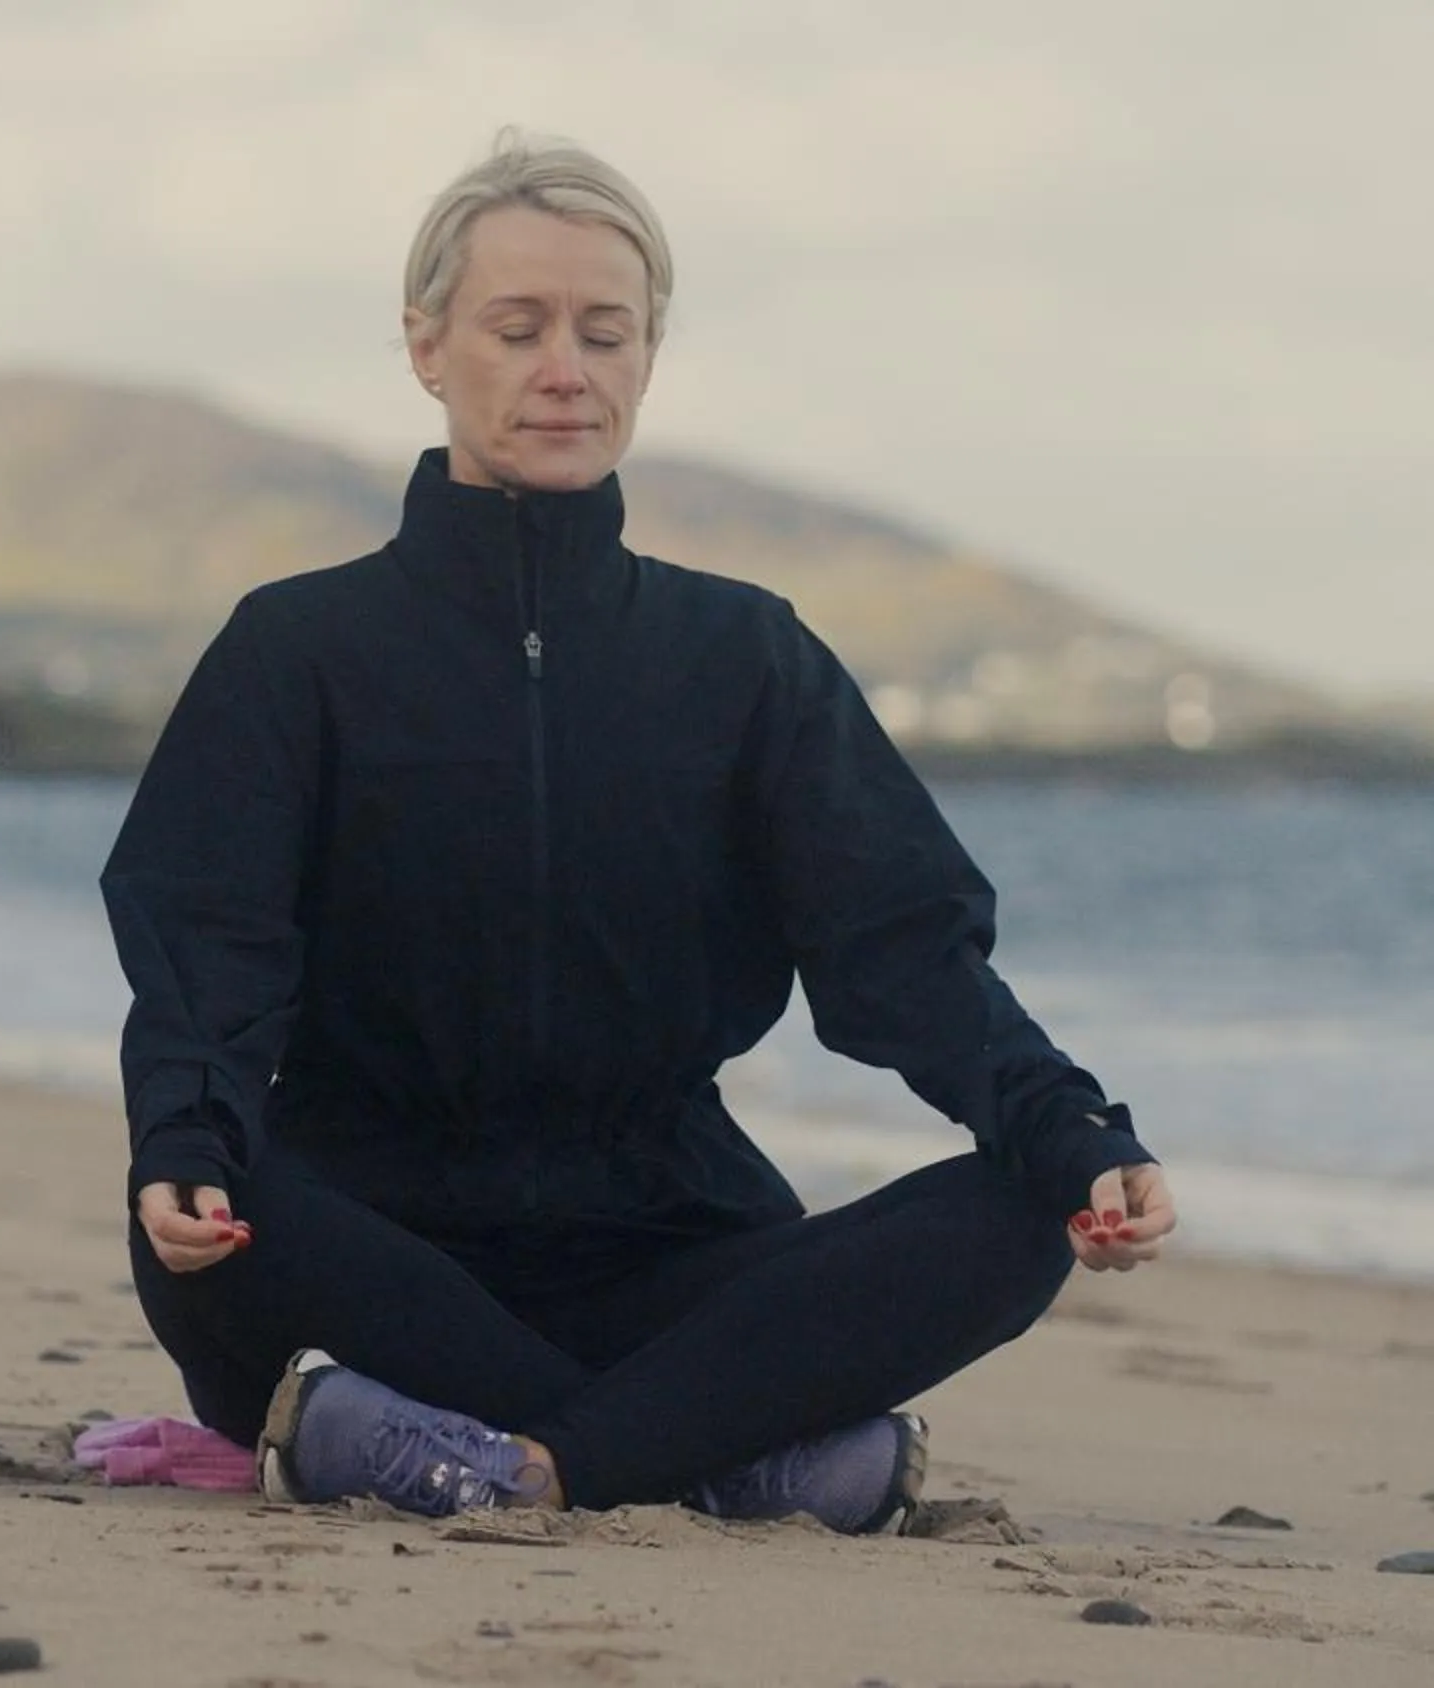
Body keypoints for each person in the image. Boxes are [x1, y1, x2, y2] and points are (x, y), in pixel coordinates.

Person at [100, 131, 1177, 1533]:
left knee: (1009, 1222)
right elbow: (207, 945)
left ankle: (490, 1458)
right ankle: (713, 1452)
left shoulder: (745, 656)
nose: (567, 368)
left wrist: (1069, 1132)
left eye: (606, 333)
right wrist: (185, 1137)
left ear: (648, 355)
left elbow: (900, 948)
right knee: (210, 1224)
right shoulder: (296, 649)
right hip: (375, 1244)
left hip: (673, 1247)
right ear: (429, 348)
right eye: (518, 327)